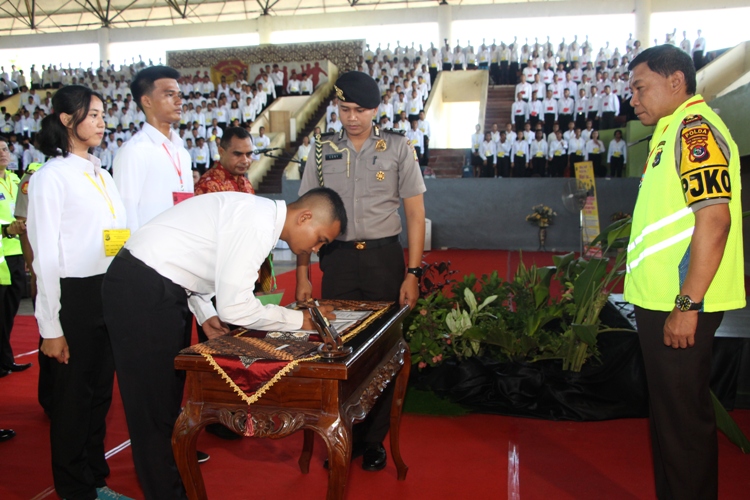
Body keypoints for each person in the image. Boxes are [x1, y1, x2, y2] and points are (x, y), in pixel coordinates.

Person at [102, 188, 345, 500]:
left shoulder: (258, 214)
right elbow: (237, 309)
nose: (314, 248)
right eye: (320, 239)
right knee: (152, 410)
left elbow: (194, 258)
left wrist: (205, 312)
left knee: (165, 402)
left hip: (160, 286)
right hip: (142, 288)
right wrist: (302, 322)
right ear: (305, 217)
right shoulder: (257, 222)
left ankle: (172, 489)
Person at [625, 44, 744, 500]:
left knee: (683, 426)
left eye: (641, 87)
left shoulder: (694, 131)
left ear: (676, 82)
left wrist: (687, 304)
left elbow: (714, 220)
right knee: (671, 421)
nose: (633, 99)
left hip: (678, 302)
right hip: (662, 301)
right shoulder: (671, 130)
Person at [296, 71, 426, 472]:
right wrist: (303, 273)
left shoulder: (399, 148)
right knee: (340, 347)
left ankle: (373, 440)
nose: (351, 118)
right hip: (337, 259)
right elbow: (304, 217)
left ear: (375, 109)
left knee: (384, 351)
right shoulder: (320, 149)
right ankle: (344, 436)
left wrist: (413, 272)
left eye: (360, 110)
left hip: (384, 259)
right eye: (344, 109)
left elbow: (416, 213)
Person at [27, 85, 130, 500]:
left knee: (99, 393)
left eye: (104, 114)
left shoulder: (101, 173)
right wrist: (50, 326)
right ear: (67, 120)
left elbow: (118, 237)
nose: (102, 122)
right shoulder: (51, 177)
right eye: (92, 115)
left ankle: (94, 477)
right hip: (75, 295)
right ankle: (75, 488)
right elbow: (46, 257)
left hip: (107, 291)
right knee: (73, 399)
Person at [113, 66, 194, 232]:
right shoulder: (134, 151)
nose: (179, 102)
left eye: (179, 95)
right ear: (147, 101)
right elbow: (125, 214)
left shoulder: (181, 152)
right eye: (169, 95)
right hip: (148, 253)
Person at [0, 136, 31, 376]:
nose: (2, 153)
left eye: (4, 148)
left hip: (16, 253)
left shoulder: (14, 179)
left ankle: (5, 358)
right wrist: (6, 229)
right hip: (1, 253)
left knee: (10, 310)